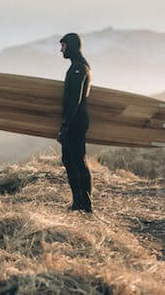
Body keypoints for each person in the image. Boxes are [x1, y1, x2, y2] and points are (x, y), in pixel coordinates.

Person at [57, 33, 93, 213]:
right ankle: (77, 202)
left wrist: (65, 126)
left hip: (76, 121)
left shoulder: (79, 68)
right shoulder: (76, 66)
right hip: (73, 121)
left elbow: (75, 101)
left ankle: (85, 205)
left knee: (78, 160)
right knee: (68, 159)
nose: (61, 50)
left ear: (70, 46)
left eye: (63, 46)